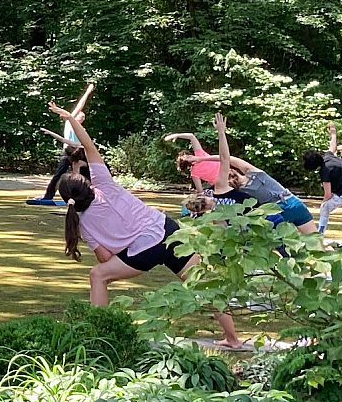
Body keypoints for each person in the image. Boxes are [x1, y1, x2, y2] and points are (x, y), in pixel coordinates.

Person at [51, 101, 243, 348]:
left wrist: (122, 243)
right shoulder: (104, 184)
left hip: (144, 251)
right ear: (86, 183)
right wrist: (71, 119)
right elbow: (89, 146)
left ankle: (97, 334)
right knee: (203, 283)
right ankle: (233, 339)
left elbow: (104, 257)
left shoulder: (82, 223)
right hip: (168, 230)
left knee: (98, 276)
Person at [180, 135, 316, 233]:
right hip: (293, 203)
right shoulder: (255, 173)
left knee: (280, 247)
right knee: (315, 243)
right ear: (235, 171)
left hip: (273, 213)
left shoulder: (240, 194)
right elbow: (229, 159)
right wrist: (203, 158)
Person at [302, 123, 342, 233]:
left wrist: (322, 203)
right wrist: (333, 133)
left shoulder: (324, 172)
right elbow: (333, 146)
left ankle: (320, 234)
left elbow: (328, 194)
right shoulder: (328, 156)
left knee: (325, 208)